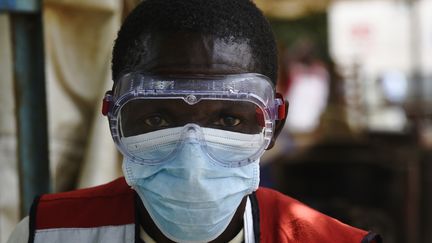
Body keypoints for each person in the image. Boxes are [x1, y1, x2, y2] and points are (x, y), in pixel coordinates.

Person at [8, 0, 382, 242]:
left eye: (229, 120)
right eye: (157, 118)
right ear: (114, 121)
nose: (193, 160)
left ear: (273, 127)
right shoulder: (47, 235)